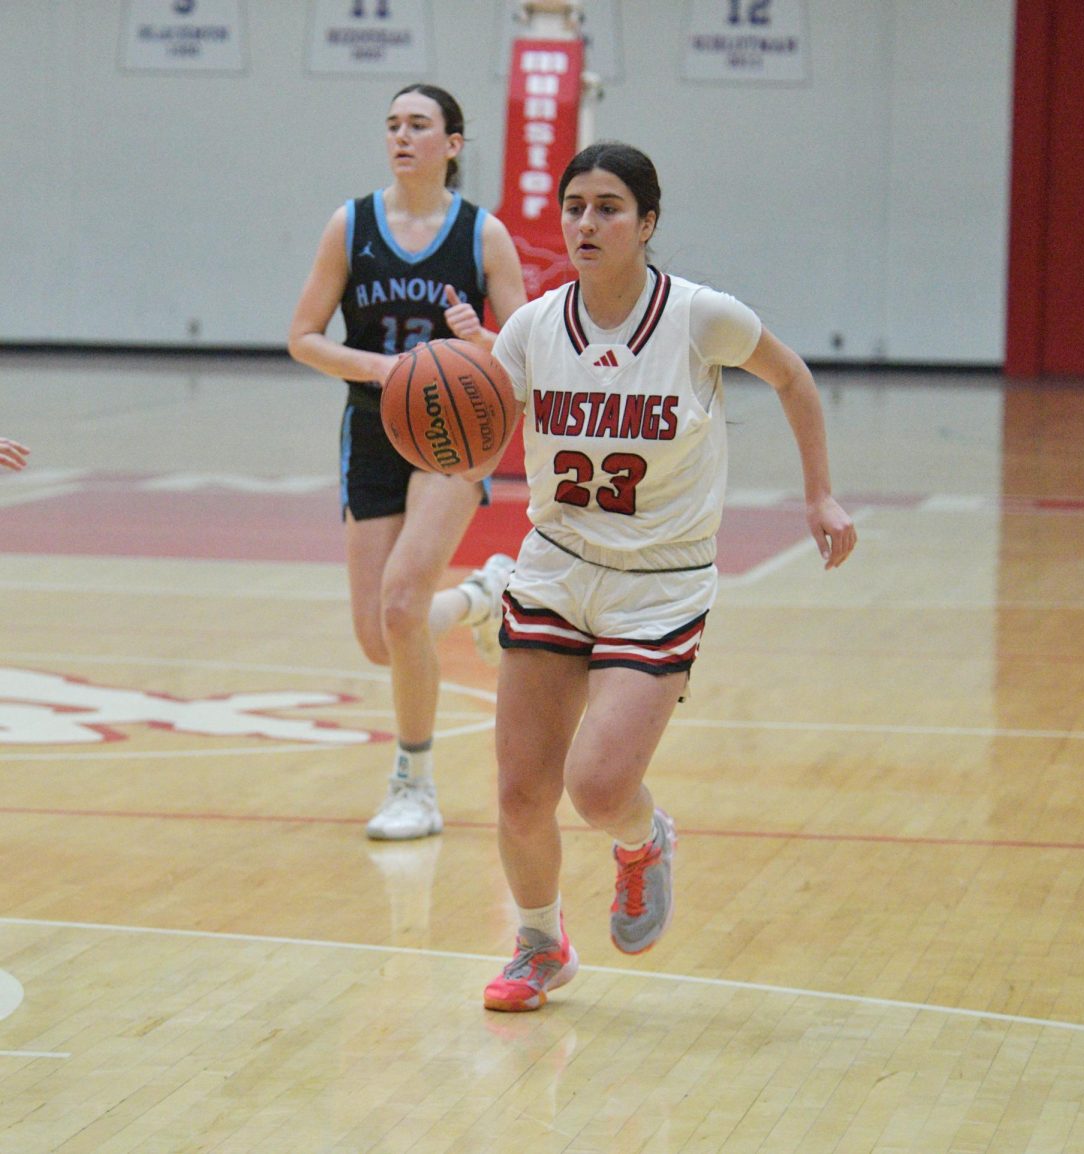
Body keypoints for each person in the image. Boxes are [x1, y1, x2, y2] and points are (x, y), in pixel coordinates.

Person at [480, 142, 857, 1011]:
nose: (586, 223)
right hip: (557, 565)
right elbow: (477, 421)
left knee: (599, 786)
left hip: (661, 580)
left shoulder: (699, 319)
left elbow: (793, 379)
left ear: (648, 224)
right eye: (574, 206)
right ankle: (539, 944)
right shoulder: (532, 328)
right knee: (520, 791)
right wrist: (457, 381)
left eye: (609, 207)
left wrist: (821, 497)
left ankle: (642, 841)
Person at [288, 84, 528, 841]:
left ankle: (414, 785)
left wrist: (478, 340)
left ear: (453, 144)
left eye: (419, 125)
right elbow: (303, 336)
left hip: (455, 437)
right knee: (377, 635)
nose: (402, 136)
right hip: (372, 426)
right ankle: (483, 599)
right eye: (392, 124)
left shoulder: (483, 235)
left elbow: (524, 349)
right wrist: (383, 369)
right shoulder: (350, 225)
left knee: (400, 606)